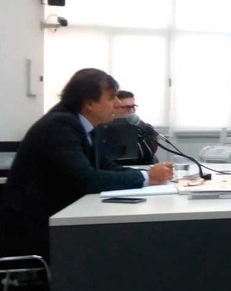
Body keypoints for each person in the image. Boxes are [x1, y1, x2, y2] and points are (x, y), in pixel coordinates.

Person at [0, 69, 173, 262]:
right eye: (111, 97)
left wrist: (148, 174)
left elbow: (106, 166)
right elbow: (87, 180)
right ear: (89, 103)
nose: (117, 104)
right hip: (34, 229)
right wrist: (147, 177)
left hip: (59, 218)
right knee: (122, 244)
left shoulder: (86, 125)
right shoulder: (59, 126)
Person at [111, 90, 158, 165]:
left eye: (133, 106)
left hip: (145, 167)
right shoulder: (105, 130)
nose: (131, 110)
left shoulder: (144, 128)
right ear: (113, 109)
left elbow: (148, 153)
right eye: (125, 107)